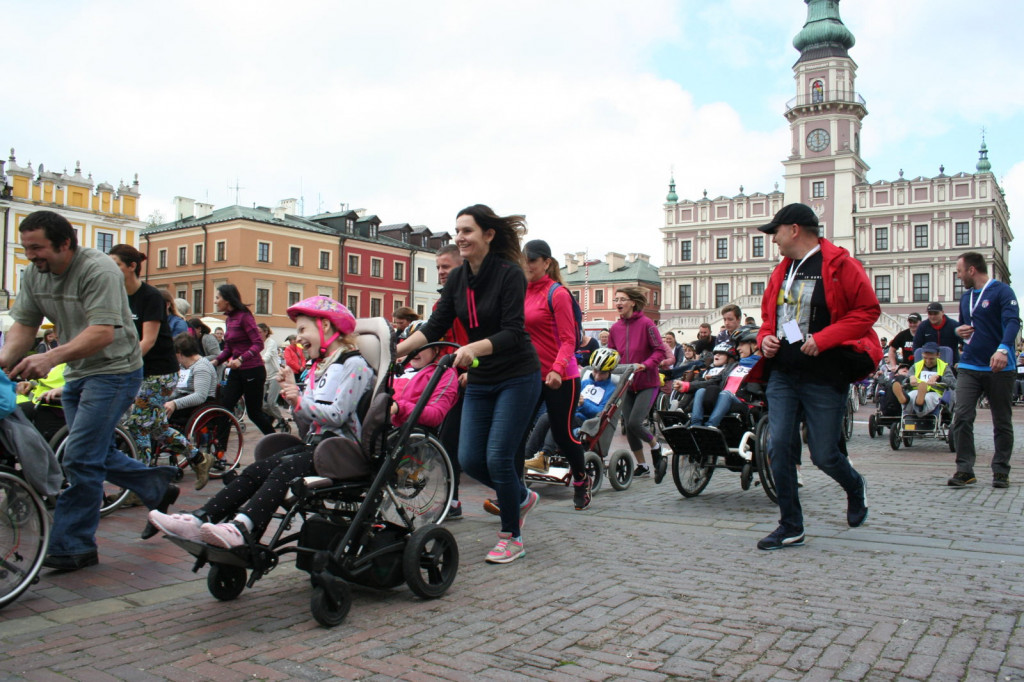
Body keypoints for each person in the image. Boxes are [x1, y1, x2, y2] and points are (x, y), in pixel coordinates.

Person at [0, 210, 179, 570]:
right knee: (90, 450)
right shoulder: (36, 275)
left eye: (37, 248)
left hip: (115, 371)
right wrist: (4, 359)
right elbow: (24, 326)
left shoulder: (99, 270)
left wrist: (50, 359)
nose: (30, 256)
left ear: (65, 243)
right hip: (79, 371)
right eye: (26, 248)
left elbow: (102, 332)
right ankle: (155, 483)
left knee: (79, 456)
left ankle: (74, 544)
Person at [148, 296, 374, 547]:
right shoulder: (319, 368)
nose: (298, 337)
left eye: (302, 329)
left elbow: (337, 415)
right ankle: (200, 519)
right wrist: (293, 397)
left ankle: (242, 526)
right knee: (257, 469)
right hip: (318, 446)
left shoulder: (354, 364)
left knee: (284, 469)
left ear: (326, 327)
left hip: (342, 451)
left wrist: (298, 400)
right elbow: (306, 426)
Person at [398, 205, 541, 564]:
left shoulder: (509, 274)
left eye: (468, 231)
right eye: (457, 231)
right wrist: (392, 351)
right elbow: (432, 328)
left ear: (488, 235)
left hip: (517, 376)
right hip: (481, 375)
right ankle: (520, 497)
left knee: (498, 457)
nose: (460, 237)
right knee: (468, 458)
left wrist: (470, 349)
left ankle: (512, 536)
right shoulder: (459, 279)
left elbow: (512, 331)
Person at [754, 203, 881, 551]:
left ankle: (855, 487)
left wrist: (824, 339)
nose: (773, 239)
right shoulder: (782, 270)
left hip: (825, 374)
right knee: (777, 446)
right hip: (784, 371)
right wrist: (765, 337)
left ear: (794, 229)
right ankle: (791, 525)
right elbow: (770, 316)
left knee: (824, 455)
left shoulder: (840, 264)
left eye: (775, 232)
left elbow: (868, 310)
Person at [109, 245, 213, 497]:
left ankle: (138, 488)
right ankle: (199, 458)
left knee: (137, 426)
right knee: (155, 427)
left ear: (131, 266)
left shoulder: (150, 297)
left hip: (160, 373)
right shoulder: (116, 295)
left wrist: (122, 366)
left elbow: (148, 340)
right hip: (138, 370)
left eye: (116, 264)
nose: (110, 269)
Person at [520, 239, 593, 511]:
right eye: (523, 260)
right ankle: (516, 488)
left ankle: (581, 479)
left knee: (562, 434)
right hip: (529, 376)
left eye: (532, 261)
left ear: (546, 263)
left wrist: (557, 369)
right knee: (516, 430)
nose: (526, 266)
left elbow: (569, 339)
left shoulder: (557, 293)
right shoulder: (520, 292)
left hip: (561, 376)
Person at [948, 251, 1020, 488]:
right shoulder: (966, 297)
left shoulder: (1001, 291)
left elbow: (1012, 322)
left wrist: (1003, 349)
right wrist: (958, 331)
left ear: (971, 270)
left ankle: (1001, 470)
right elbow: (962, 325)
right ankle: (965, 469)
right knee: (962, 416)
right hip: (969, 364)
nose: (958, 276)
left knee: (1001, 421)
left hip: (999, 366)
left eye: (959, 271)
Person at [608, 286, 668, 481]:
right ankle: (642, 465)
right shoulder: (615, 328)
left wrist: (645, 365)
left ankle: (656, 445)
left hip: (647, 382)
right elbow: (611, 353)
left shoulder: (647, 324)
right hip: (626, 384)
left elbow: (659, 351)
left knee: (635, 422)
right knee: (628, 425)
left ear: (633, 302)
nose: (618, 303)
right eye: (616, 299)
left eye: (623, 299)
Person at [525, 347, 619, 470]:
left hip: (585, 421)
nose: (597, 376)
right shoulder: (585, 383)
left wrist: (583, 404)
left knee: (558, 421)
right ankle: (527, 455)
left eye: (602, 373)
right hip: (570, 414)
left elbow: (601, 413)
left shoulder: (611, 389)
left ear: (609, 372)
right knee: (546, 417)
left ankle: (545, 456)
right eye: (595, 371)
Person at [432, 243, 469, 520]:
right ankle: (452, 501)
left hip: (481, 376)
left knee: (493, 446)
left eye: (446, 267)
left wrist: (474, 370)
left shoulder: (474, 300)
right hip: (453, 380)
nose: (441, 272)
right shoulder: (440, 304)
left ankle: (515, 495)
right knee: (448, 440)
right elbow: (437, 340)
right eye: (438, 268)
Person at [212, 284, 276, 435]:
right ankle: (220, 453)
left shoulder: (244, 316)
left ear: (227, 300)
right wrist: (216, 361)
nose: (215, 301)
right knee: (224, 410)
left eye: (217, 297)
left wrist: (241, 359)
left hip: (253, 371)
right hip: (237, 372)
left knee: (254, 413)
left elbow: (258, 344)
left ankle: (277, 442)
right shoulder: (229, 320)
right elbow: (228, 348)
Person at [891, 341, 955, 416]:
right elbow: (905, 382)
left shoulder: (944, 367)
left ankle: (919, 404)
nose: (928, 361)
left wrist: (939, 378)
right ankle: (905, 400)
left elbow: (953, 383)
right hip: (917, 389)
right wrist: (910, 379)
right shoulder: (916, 366)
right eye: (925, 358)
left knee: (929, 398)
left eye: (931, 359)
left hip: (935, 392)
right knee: (912, 395)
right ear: (922, 355)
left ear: (938, 355)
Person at [258, 323, 287, 431]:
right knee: (260, 404)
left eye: (259, 332)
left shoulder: (271, 343)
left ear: (265, 332)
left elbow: (267, 356)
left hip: (275, 375)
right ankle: (274, 416)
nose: (257, 334)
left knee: (271, 402)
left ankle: (281, 420)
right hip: (263, 376)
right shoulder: (257, 343)